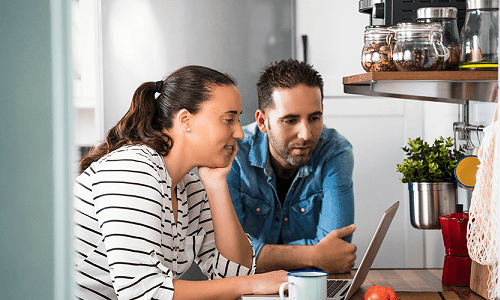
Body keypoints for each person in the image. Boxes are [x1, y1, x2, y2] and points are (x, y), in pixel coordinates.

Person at [73, 65, 287, 300]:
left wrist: (216, 186)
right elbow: (143, 292)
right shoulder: (133, 169)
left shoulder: (189, 189)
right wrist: (251, 283)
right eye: (228, 119)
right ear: (185, 120)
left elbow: (235, 273)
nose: (239, 133)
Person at [228, 59, 357, 274]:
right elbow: (231, 260)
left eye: (315, 118)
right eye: (290, 120)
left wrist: (256, 255)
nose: (306, 134)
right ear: (262, 122)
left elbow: (336, 252)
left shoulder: (335, 151)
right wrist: (315, 255)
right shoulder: (234, 153)